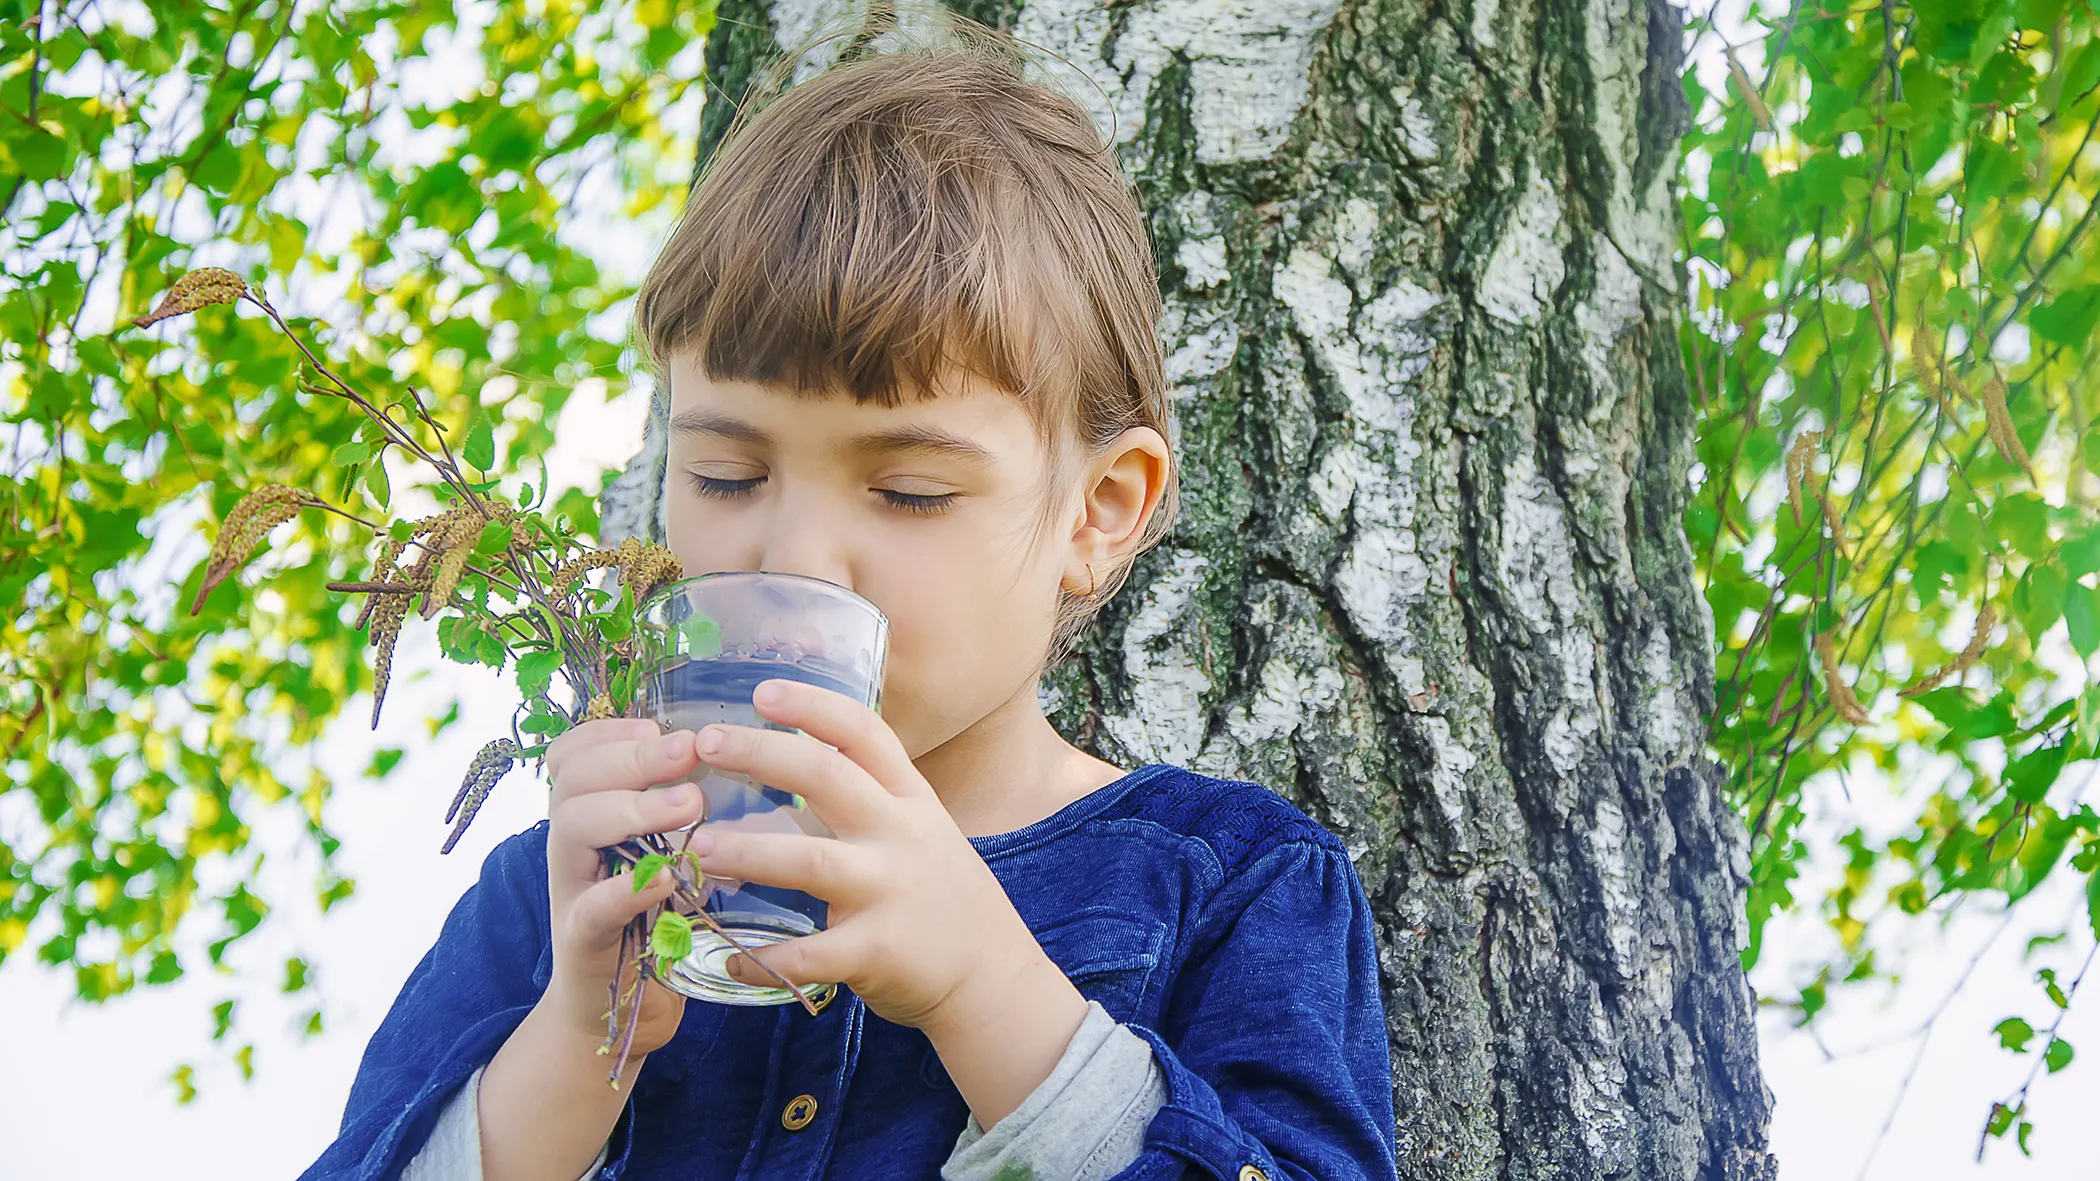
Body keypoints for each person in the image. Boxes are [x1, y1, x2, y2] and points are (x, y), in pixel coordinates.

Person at [302, 22, 1395, 1181]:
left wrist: (986, 988)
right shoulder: (546, 900)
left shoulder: (1234, 883)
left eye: (909, 490)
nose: (798, 559)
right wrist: (578, 1041)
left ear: (1097, 512)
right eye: (726, 473)